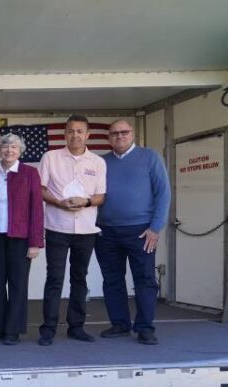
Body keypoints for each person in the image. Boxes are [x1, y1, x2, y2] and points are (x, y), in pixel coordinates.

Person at [96, 119, 170, 345]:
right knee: (112, 279)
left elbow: (163, 193)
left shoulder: (150, 157)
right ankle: (120, 324)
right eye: (114, 133)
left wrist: (155, 228)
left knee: (145, 279)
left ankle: (145, 328)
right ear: (109, 138)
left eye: (124, 132)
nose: (119, 136)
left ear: (132, 134)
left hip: (141, 231)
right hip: (106, 231)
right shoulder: (101, 162)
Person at [38, 114, 107, 346]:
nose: (75, 135)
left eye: (79, 131)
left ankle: (76, 327)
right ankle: (48, 329)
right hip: (57, 226)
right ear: (65, 134)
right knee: (54, 278)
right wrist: (59, 203)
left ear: (88, 135)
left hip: (86, 230)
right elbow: (40, 189)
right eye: (70, 131)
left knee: (80, 278)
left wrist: (86, 202)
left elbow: (100, 196)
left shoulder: (97, 162)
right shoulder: (50, 157)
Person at [0, 134, 44, 345]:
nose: (9, 150)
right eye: (5, 146)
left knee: (18, 284)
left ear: (20, 151)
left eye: (14, 147)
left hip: (20, 238)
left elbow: (37, 209)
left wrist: (35, 242)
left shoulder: (29, 173)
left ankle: (13, 330)